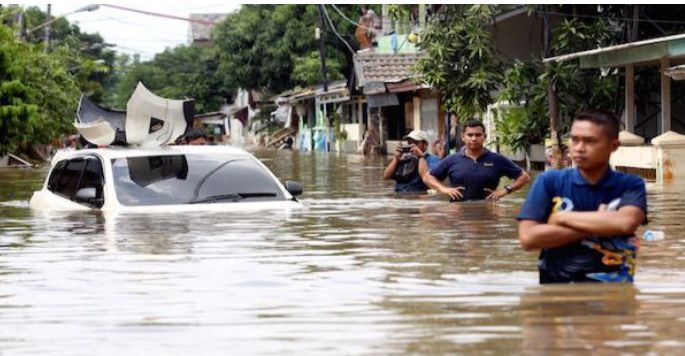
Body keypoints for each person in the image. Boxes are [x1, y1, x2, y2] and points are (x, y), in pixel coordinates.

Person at [517, 111, 647, 284]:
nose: (579, 148)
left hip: (614, 297)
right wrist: (603, 223)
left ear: (613, 146)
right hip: (556, 294)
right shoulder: (549, 181)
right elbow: (528, 238)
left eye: (590, 141)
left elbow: (625, 223)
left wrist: (560, 218)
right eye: (574, 139)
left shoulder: (630, 185)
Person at [423, 120, 531, 201]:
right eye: (470, 135)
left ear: (485, 137)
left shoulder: (497, 159)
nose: (474, 138)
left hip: (488, 212)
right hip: (458, 215)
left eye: (478, 135)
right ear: (463, 137)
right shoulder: (452, 159)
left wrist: (505, 190)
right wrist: (445, 189)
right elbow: (428, 177)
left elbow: (524, 177)